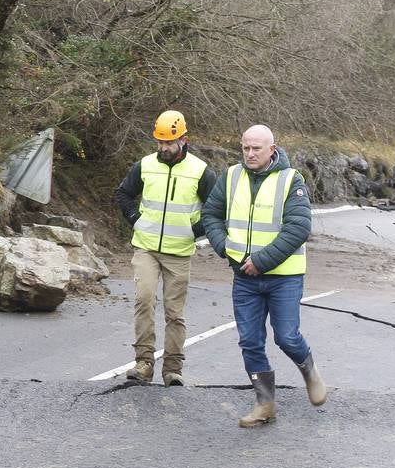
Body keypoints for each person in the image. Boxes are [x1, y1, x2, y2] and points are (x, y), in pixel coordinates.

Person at [201, 124, 327, 427]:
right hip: (244, 277)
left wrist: (261, 261)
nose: (250, 153)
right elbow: (211, 215)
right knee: (250, 341)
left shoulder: (290, 180)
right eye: (245, 147)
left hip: (283, 276)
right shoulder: (231, 176)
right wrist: (225, 249)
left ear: (272, 149)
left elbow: (298, 228)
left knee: (286, 336)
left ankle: (309, 369)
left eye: (256, 148)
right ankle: (264, 403)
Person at [113, 109, 217, 386]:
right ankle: (144, 362)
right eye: (159, 142)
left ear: (184, 139)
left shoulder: (201, 172)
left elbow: (217, 209)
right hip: (146, 248)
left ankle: (173, 369)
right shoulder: (145, 165)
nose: (163, 147)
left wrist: (195, 231)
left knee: (174, 312)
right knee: (144, 300)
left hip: (180, 252)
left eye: (169, 142)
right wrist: (135, 219)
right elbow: (122, 194)